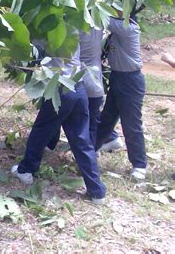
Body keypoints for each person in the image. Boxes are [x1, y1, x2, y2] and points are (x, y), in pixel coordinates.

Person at [11, 46, 106, 205]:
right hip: (78, 86)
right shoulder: (76, 25)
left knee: (41, 130)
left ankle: (26, 170)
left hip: (62, 88)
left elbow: (33, 39)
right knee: (82, 140)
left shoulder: (54, 27)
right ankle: (97, 192)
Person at [95, 10, 147, 180]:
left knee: (131, 124)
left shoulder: (128, 27)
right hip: (117, 77)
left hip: (130, 80)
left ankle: (139, 165)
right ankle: (92, 148)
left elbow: (101, 17)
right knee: (107, 117)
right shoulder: (118, 28)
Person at [47, 27, 105, 149]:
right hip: (95, 81)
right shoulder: (99, 28)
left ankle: (50, 143)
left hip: (76, 79)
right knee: (90, 124)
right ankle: (92, 153)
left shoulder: (73, 30)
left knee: (58, 114)